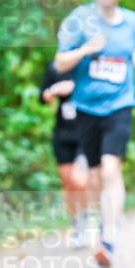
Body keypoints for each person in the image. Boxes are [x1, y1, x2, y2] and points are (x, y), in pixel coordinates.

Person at [54, 0, 135, 268]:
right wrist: (84, 51)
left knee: (112, 169)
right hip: (87, 107)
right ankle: (103, 228)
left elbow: (132, 49)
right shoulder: (79, 20)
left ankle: (109, 240)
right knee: (96, 175)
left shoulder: (133, 22)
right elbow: (60, 63)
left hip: (120, 104)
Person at [40, 62, 89, 247]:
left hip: (85, 132)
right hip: (62, 133)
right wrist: (54, 90)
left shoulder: (88, 65)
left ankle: (86, 218)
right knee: (68, 182)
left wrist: (75, 87)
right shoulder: (55, 67)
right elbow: (43, 97)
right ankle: (76, 225)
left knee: (79, 180)